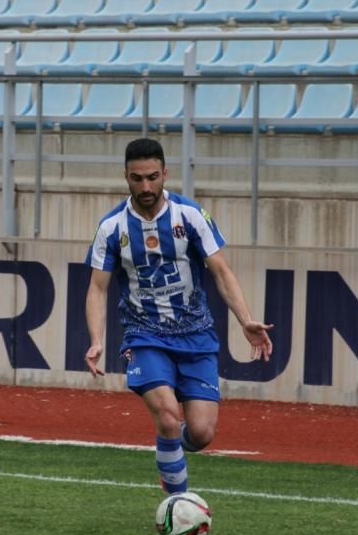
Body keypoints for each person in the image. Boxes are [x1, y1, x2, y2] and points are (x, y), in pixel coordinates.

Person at [84, 137, 273, 495]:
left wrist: (245, 319)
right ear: (125, 176)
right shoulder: (112, 228)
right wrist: (96, 339)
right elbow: (97, 288)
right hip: (144, 335)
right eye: (137, 178)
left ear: (165, 173)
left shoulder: (190, 216)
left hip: (196, 335)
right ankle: (177, 504)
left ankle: (169, 450)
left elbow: (221, 270)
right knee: (169, 416)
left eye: (152, 177)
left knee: (201, 434)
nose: (145, 186)